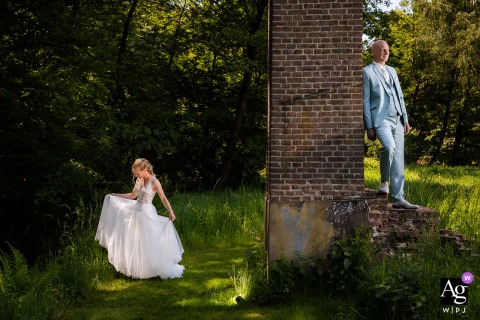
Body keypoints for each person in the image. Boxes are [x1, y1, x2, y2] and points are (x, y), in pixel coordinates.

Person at [95, 158, 185, 279]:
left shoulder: (154, 182)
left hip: (146, 213)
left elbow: (163, 198)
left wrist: (171, 211)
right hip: (135, 212)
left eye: (137, 172)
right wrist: (116, 195)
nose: (135, 175)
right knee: (135, 241)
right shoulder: (139, 180)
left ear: (145, 169)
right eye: (135, 173)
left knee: (148, 241)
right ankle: (137, 269)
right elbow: (133, 195)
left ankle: (153, 267)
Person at [363, 40, 419, 210]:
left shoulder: (392, 71)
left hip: (398, 119)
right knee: (389, 147)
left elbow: (399, 95)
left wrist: (405, 118)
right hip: (381, 120)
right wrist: (369, 126)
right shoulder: (366, 72)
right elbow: (365, 101)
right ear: (373, 52)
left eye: (387, 50)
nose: (386, 53)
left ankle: (398, 198)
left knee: (399, 159)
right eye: (381, 50)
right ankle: (384, 181)